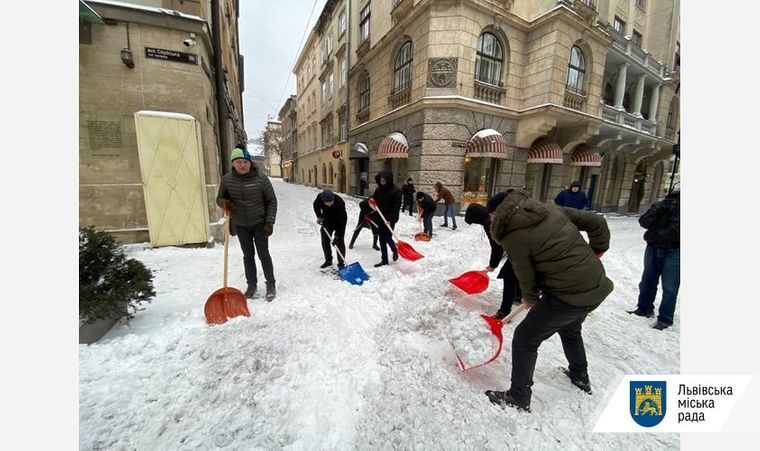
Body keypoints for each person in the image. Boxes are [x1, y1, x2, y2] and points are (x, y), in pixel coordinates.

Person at [484, 189, 613, 412]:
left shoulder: (512, 235)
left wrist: (531, 298)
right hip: (596, 285)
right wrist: (597, 251)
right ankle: (580, 375)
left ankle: (519, 396)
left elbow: (524, 273)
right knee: (570, 329)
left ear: (499, 212)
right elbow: (597, 222)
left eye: (491, 215)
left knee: (525, 338)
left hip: (568, 295)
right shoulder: (551, 210)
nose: (490, 220)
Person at [216, 146, 278, 301]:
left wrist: (269, 222)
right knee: (248, 256)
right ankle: (251, 285)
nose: (242, 165)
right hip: (241, 224)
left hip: (260, 223)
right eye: (238, 162)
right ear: (233, 164)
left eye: (245, 161)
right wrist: (225, 204)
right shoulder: (227, 180)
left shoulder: (261, 178)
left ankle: (270, 283)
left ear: (250, 163)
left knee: (264, 255)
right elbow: (220, 198)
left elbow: (272, 201)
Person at [627, 189, 680, 330]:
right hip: (655, 246)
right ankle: (644, 309)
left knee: (669, 286)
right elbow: (643, 221)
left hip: (674, 250)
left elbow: (676, 231)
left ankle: (665, 318)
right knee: (648, 281)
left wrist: (660, 232)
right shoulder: (661, 205)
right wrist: (657, 212)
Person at [464, 199, 522, 320]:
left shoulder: (489, 223)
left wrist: (492, 265)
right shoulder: (495, 214)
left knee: (509, 276)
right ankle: (518, 295)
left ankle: (504, 312)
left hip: (523, 248)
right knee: (516, 272)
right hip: (522, 246)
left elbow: (496, 247)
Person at [371, 170, 401, 267]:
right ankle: (384, 260)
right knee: (381, 239)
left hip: (389, 219)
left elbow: (396, 208)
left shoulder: (396, 191)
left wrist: (391, 219)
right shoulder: (379, 189)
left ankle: (394, 250)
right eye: (381, 181)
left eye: (384, 181)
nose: (382, 183)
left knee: (388, 237)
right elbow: (374, 199)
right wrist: (371, 201)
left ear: (389, 180)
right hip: (380, 217)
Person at [313, 190, 348, 269]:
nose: (329, 204)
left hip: (339, 221)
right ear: (323, 200)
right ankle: (328, 260)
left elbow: (342, 221)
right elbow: (315, 206)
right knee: (325, 240)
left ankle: (341, 263)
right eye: (327, 202)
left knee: (340, 242)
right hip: (327, 220)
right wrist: (319, 216)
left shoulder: (339, 202)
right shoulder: (319, 198)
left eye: (331, 202)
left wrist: (337, 236)